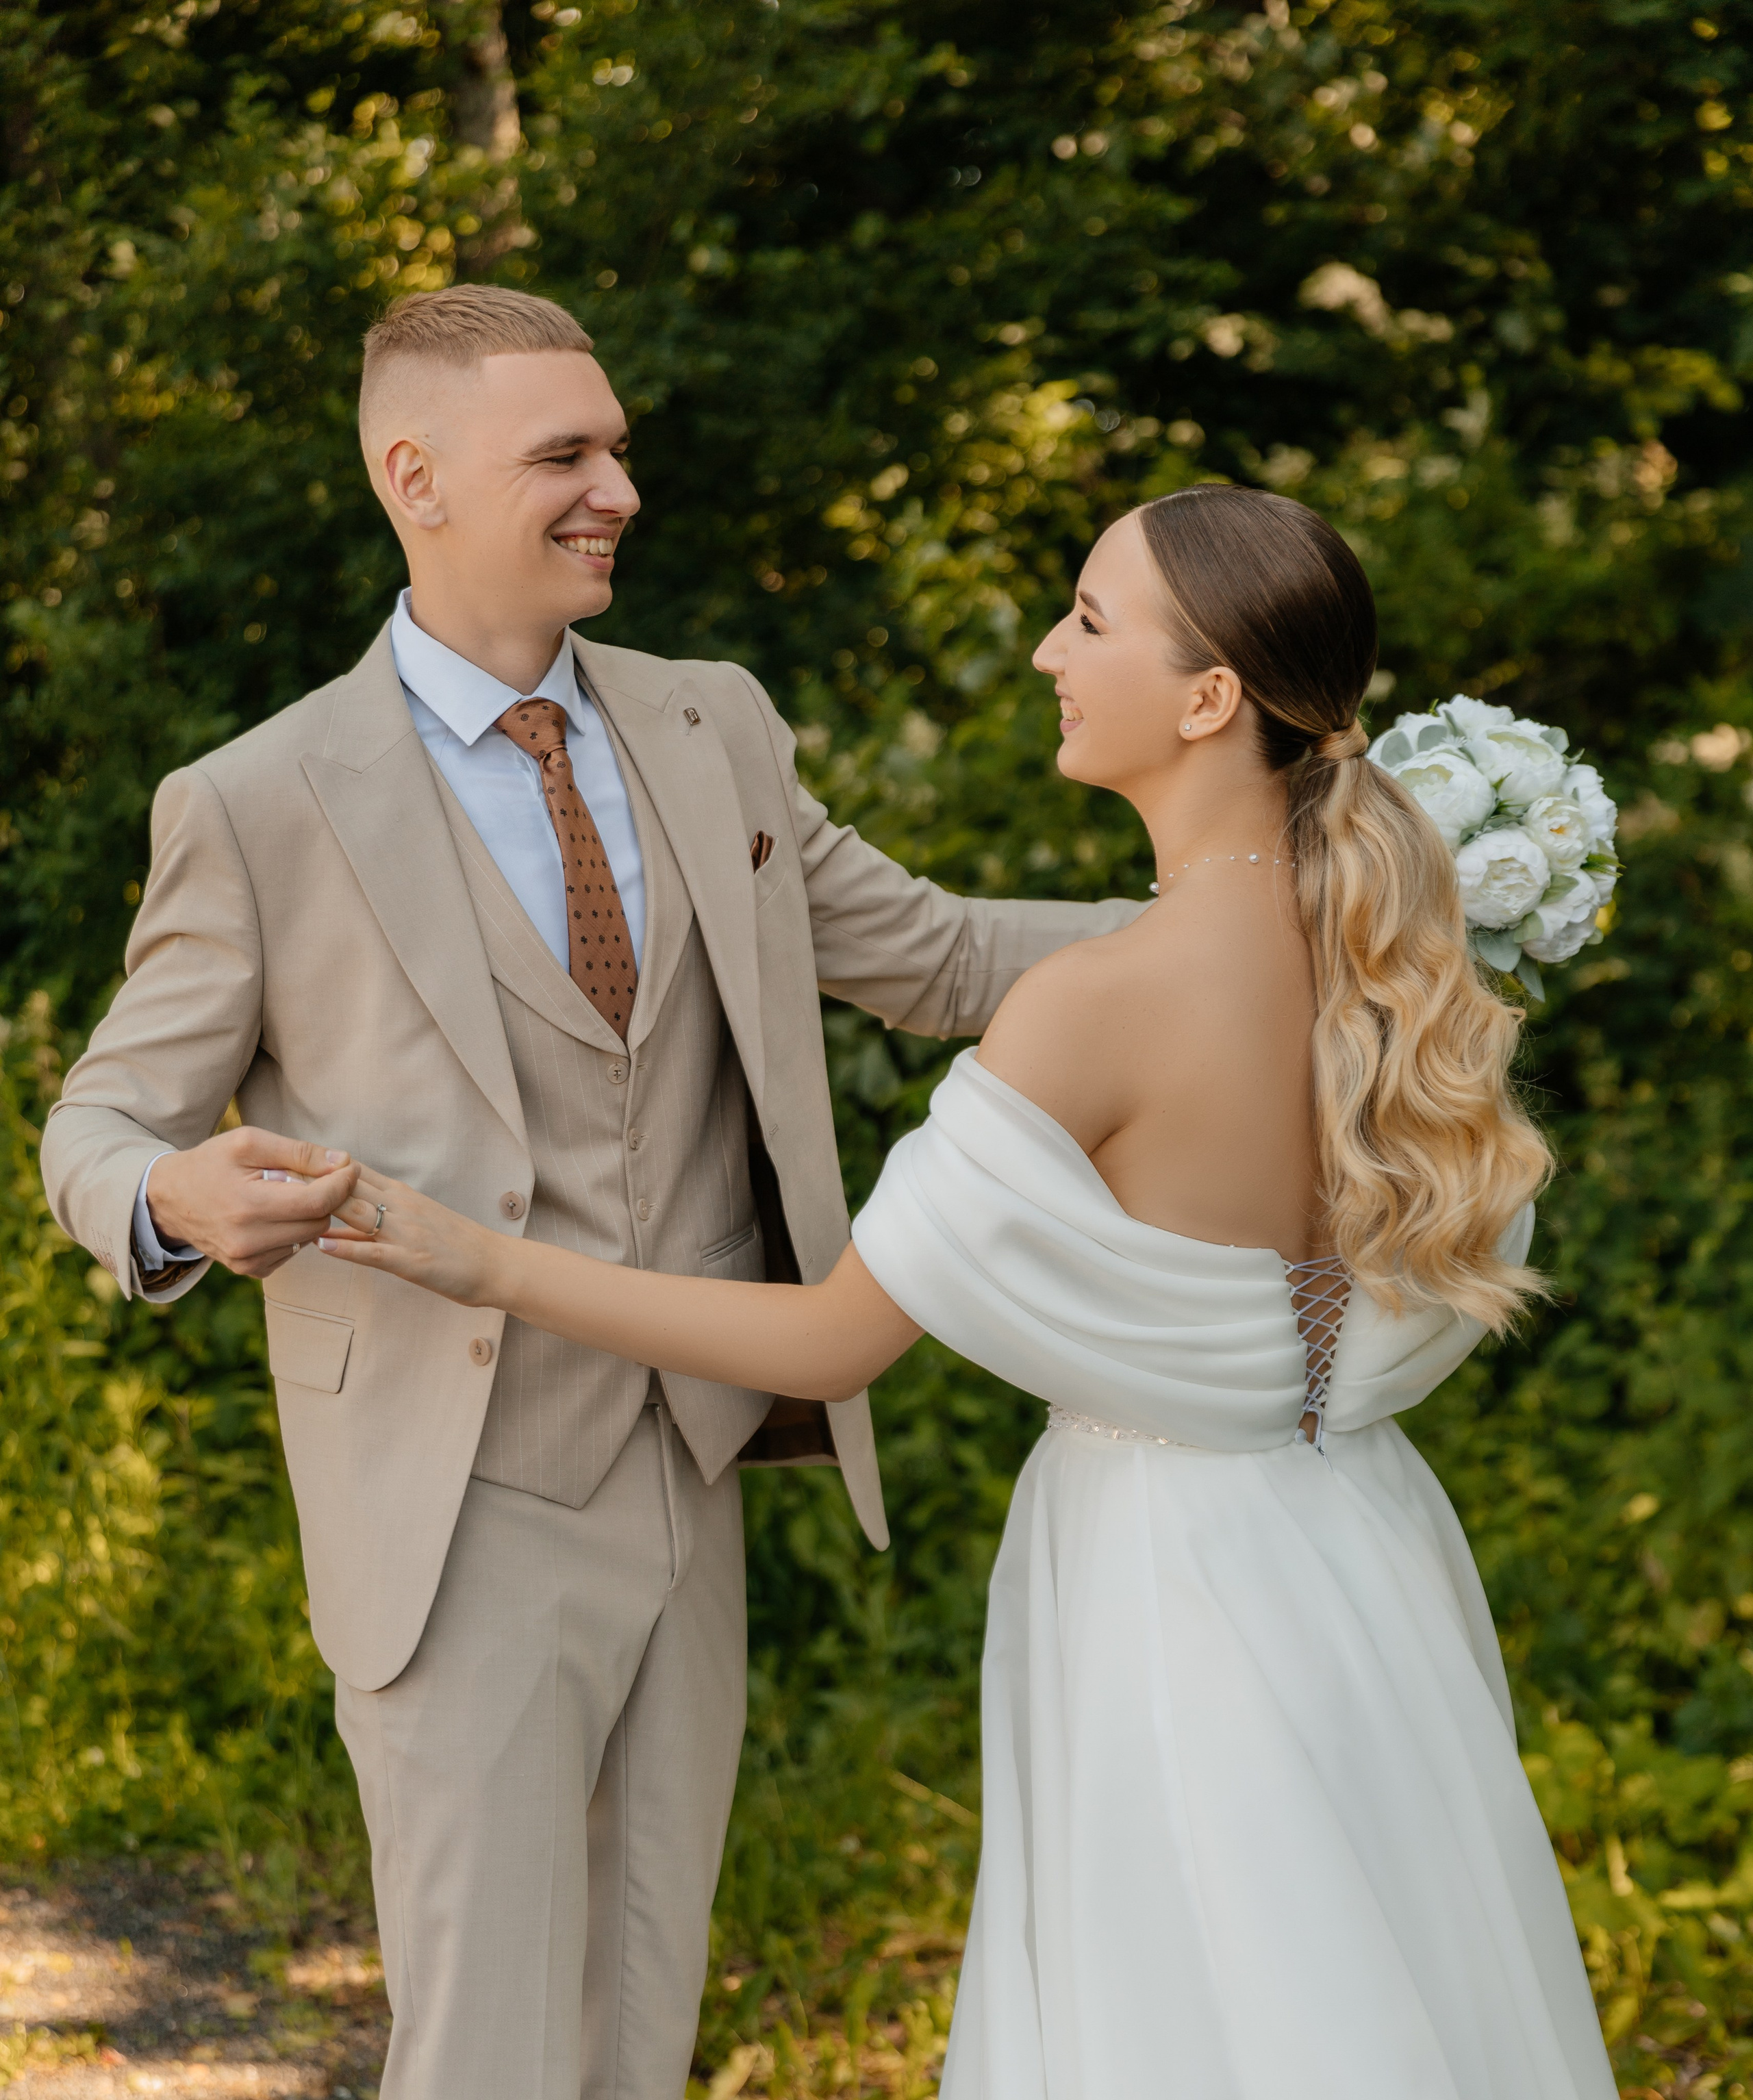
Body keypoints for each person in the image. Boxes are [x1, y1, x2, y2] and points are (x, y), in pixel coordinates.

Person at [311, 485, 1619, 2099]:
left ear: (1208, 697)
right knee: (1372, 1991)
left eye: (1085, 618)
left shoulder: (1097, 1007)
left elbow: (831, 1338)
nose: (1041, 650)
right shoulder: (1387, 960)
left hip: (1160, 1590)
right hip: (1366, 1558)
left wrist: (483, 1261)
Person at [37, 284, 1143, 2100]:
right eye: (565, 452)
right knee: (483, 2034)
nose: (617, 486)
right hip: (449, 1496)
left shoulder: (715, 727)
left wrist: (1275, 931)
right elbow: (97, 1118)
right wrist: (164, 1191)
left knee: (642, 2011)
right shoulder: (256, 803)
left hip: (697, 1464)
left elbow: (946, 958)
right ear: (420, 476)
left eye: (616, 446)